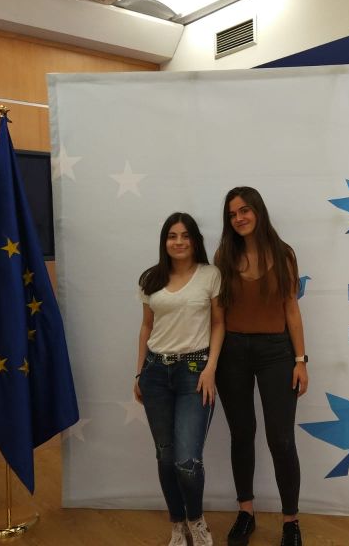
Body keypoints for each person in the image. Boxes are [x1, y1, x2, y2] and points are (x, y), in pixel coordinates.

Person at [215, 187, 308, 546]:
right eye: (232, 214)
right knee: (242, 434)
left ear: (258, 211)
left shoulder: (284, 254)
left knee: (281, 439)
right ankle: (246, 513)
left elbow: (291, 310)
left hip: (276, 353)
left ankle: (291, 521)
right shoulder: (224, 256)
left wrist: (300, 360)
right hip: (233, 353)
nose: (238, 218)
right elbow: (217, 317)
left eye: (244, 211)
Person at [135, 212, 224, 546]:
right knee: (165, 456)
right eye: (172, 236)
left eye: (185, 235)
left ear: (195, 240)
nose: (179, 241)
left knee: (187, 461)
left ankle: (196, 520)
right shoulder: (151, 278)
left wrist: (210, 368)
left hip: (195, 373)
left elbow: (219, 323)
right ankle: (177, 525)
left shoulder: (210, 275)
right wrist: (139, 372)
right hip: (155, 373)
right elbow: (146, 326)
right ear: (165, 241)